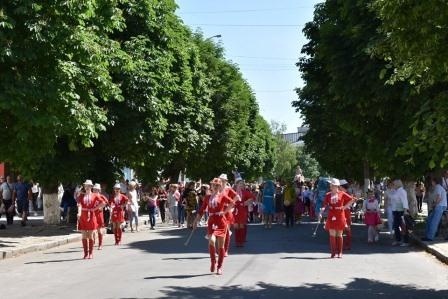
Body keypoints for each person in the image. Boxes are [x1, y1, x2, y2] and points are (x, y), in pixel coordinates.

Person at [193, 178, 235, 275]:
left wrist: (224, 211)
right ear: (211, 186)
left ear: (220, 187)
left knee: (221, 245)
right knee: (211, 241)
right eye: (214, 185)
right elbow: (202, 210)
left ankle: (219, 266)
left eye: (217, 185)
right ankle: (213, 261)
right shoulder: (207, 197)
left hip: (221, 222)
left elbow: (232, 203)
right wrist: (196, 221)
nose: (215, 187)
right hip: (211, 222)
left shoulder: (223, 195)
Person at [319, 178, 353, 258]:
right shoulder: (328, 194)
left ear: (336, 186)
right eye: (330, 185)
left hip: (340, 215)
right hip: (331, 215)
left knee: (339, 234)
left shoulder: (342, 193)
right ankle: (333, 252)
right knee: (332, 234)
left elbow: (352, 199)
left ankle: (340, 252)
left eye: (332, 185)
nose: (330, 186)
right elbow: (324, 205)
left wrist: (344, 207)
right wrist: (321, 212)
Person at [77, 180, 105, 259]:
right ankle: (85, 253)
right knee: (84, 235)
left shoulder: (95, 195)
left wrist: (95, 208)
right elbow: (79, 205)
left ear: (91, 187)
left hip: (91, 216)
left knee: (90, 235)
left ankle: (91, 253)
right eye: (86, 185)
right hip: (83, 216)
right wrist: (79, 213)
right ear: (84, 187)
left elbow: (103, 202)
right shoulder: (81, 196)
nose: (87, 187)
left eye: (89, 186)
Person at [219, 173, 239, 257]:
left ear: (226, 181)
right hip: (218, 211)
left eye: (223, 180)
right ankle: (220, 249)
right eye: (221, 180)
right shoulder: (216, 188)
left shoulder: (228, 189)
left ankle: (225, 250)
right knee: (218, 232)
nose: (222, 182)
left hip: (227, 211)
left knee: (226, 231)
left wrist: (231, 203)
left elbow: (237, 196)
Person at [422, 176, 447, 241]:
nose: (431, 182)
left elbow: (439, 197)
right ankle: (427, 235)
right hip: (438, 206)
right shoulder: (437, 187)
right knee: (429, 220)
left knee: (433, 222)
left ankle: (429, 237)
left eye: (432, 181)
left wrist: (434, 204)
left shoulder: (438, 187)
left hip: (440, 206)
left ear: (434, 182)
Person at [233, 178, 254, 246]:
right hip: (235, 210)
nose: (241, 185)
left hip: (243, 210)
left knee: (241, 225)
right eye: (240, 183)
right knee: (236, 226)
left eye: (242, 184)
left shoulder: (245, 192)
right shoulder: (233, 191)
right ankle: (237, 241)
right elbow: (227, 199)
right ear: (237, 184)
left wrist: (246, 203)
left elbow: (252, 198)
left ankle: (241, 241)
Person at [389, 179, 410, 246]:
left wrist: (405, 211)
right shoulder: (395, 191)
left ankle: (406, 241)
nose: (393, 185)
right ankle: (398, 240)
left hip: (401, 211)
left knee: (403, 226)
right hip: (395, 210)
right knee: (396, 226)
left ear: (397, 184)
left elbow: (405, 201)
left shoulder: (402, 191)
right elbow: (392, 198)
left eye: (394, 184)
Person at [92, 183, 108, 250]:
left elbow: (106, 202)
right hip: (93, 215)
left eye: (97, 190)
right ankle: (93, 242)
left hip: (99, 215)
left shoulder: (101, 196)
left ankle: (100, 244)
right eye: (94, 189)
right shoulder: (91, 196)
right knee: (92, 230)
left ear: (99, 190)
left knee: (99, 230)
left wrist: (101, 207)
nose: (95, 191)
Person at [339, 179, 353, 250]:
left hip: (345, 212)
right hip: (341, 212)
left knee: (347, 229)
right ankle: (342, 245)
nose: (338, 188)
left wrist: (343, 208)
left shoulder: (346, 193)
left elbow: (351, 202)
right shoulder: (344, 192)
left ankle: (347, 245)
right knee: (341, 229)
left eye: (339, 186)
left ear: (342, 186)